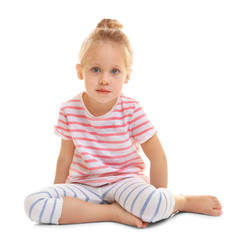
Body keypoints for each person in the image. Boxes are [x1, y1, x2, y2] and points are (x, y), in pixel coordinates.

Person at [24, 19, 222, 228]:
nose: (104, 80)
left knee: (152, 206)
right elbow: (64, 157)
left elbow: (158, 156)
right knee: (33, 204)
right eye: (95, 69)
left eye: (115, 71)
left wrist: (157, 198)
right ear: (80, 71)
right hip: (84, 186)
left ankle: (182, 200)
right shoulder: (69, 109)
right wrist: (60, 194)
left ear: (127, 76)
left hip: (125, 183)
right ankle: (112, 212)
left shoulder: (131, 110)